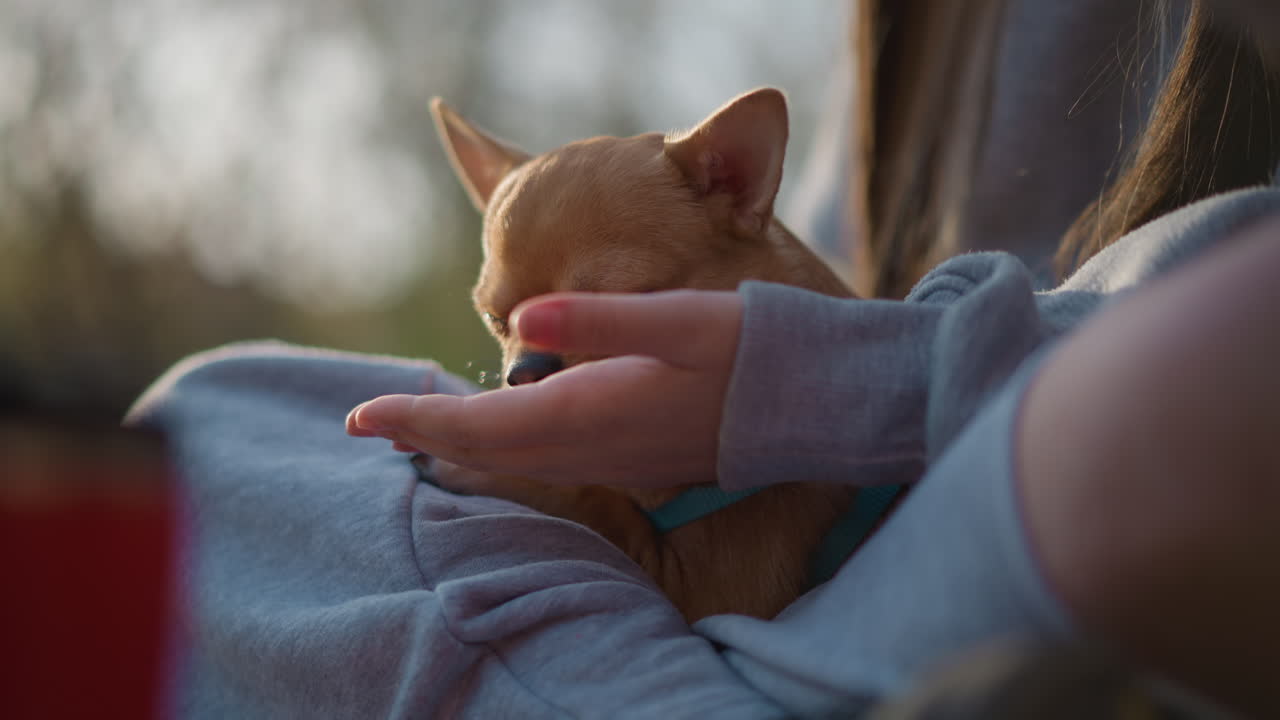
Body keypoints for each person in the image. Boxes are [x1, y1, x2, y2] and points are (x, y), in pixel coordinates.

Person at [131, 0, 1280, 716]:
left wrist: (815, 380)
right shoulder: (893, 50)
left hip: (1002, 512)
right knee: (223, 408)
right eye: (505, 326)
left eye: (599, 306)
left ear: (730, 180)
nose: (527, 359)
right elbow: (823, 250)